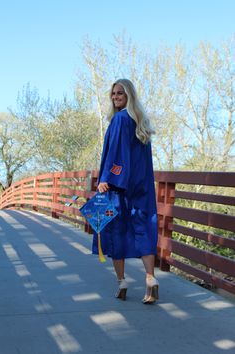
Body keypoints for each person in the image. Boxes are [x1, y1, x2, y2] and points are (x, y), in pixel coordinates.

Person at [92, 78, 159, 304]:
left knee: (116, 231)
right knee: (143, 229)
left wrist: (106, 178)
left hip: (119, 187)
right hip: (141, 186)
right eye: (113, 93)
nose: (115, 96)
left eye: (120, 93)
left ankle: (122, 282)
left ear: (129, 95)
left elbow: (117, 153)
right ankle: (150, 279)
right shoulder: (140, 122)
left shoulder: (120, 119)